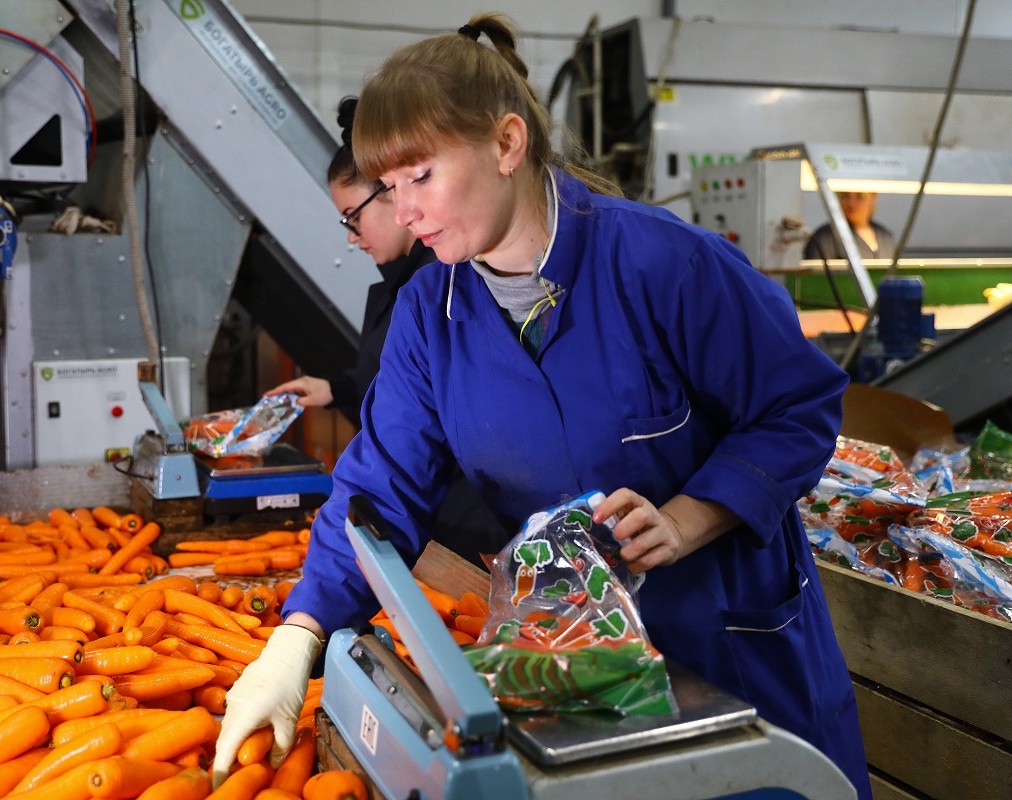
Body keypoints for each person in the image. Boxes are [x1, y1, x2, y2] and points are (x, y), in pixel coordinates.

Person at [213, 14, 871, 800]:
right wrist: (298, 635)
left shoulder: (665, 265)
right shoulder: (432, 311)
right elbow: (377, 487)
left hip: (728, 642)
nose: (406, 210)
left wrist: (689, 517)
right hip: (569, 655)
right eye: (389, 189)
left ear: (506, 144)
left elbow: (798, 404)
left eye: (420, 176)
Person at [267, 97, 507, 568]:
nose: (352, 236)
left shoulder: (451, 284)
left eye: (353, 217)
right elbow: (401, 392)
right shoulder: (404, 290)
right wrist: (336, 389)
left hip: (470, 525)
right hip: (425, 519)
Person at [805, 190, 896, 261]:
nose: (851, 203)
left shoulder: (886, 238)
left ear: (873, 198)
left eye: (860, 196)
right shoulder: (825, 238)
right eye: (845, 196)